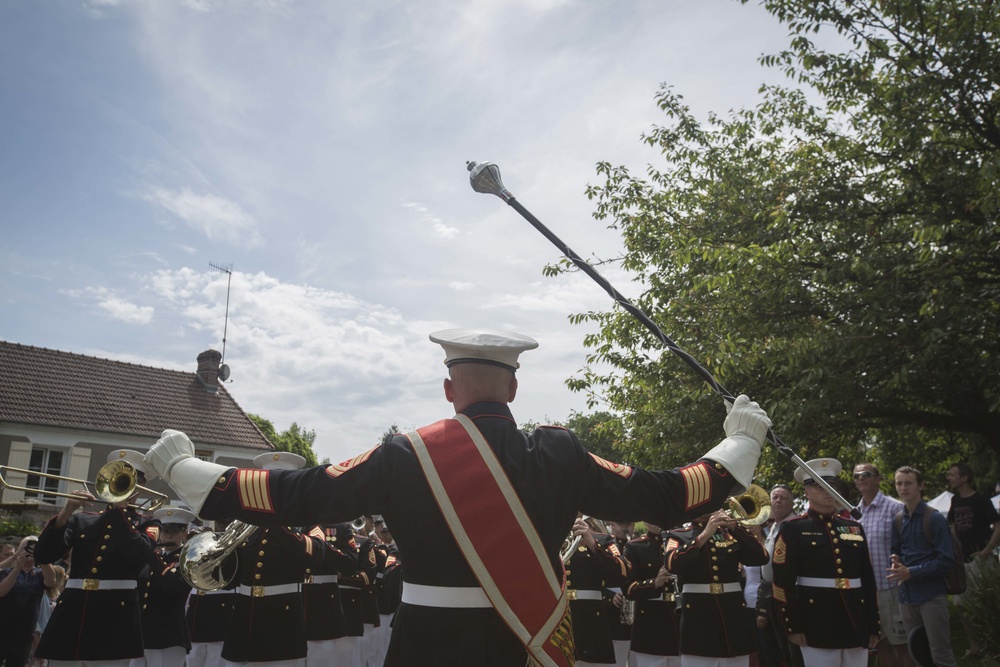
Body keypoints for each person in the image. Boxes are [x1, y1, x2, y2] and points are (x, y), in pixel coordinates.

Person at [145, 327, 771, 667]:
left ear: (449, 391)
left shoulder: (405, 452)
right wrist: (738, 447)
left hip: (426, 641)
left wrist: (193, 474)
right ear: (515, 390)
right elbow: (666, 496)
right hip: (529, 638)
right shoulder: (559, 453)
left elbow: (302, 495)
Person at [33, 449, 162, 667]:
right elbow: (44, 555)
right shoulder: (83, 519)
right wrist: (66, 512)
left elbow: (138, 555)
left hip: (114, 618)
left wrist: (119, 512)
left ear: (140, 486)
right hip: (72, 613)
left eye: (130, 480)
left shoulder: (148, 524)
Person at [219, 452, 327, 667]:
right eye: (269, 484)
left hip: (281, 622)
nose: (272, 491)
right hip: (243, 621)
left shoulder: (307, 519)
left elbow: (316, 555)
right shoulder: (245, 521)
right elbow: (231, 577)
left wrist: (276, 524)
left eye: (279, 485)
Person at [771, 458, 879, 667]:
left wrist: (873, 624)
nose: (828, 491)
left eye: (832, 486)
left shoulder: (853, 527)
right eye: (820, 486)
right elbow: (781, 583)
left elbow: (868, 580)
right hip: (816, 621)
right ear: (807, 493)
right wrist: (793, 625)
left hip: (855, 618)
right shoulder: (793, 529)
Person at [666, 509, 769, 666]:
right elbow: (671, 564)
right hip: (699, 620)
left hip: (733, 618)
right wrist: (704, 535)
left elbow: (761, 557)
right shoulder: (678, 534)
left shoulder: (731, 533)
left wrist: (735, 527)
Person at [889, 466, 957, 667]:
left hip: (931, 595)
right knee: (919, 655)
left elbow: (947, 560)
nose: (903, 488)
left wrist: (912, 572)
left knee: (940, 656)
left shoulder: (934, 517)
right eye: (899, 483)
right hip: (907, 596)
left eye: (908, 483)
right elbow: (896, 551)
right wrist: (897, 562)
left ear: (921, 485)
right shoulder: (898, 519)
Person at [852, 463, 911, 667]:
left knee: (903, 646)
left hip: (891, 589)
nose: (860, 478)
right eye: (856, 475)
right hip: (868, 592)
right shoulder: (855, 514)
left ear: (878, 479)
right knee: (881, 645)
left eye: (866, 474)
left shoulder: (895, 507)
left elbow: (909, 546)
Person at [945, 461, 1000, 659]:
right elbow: (953, 526)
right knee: (961, 603)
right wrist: (955, 549)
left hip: (982, 561)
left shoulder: (981, 500)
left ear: (965, 477)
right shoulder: (956, 501)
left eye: (952, 475)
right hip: (964, 561)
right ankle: (976, 647)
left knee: (986, 604)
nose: (949, 478)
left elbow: (998, 524)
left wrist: (986, 551)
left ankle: (992, 647)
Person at [564, 516, 628, 666]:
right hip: (561, 620)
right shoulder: (552, 536)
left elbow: (622, 571)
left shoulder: (602, 539)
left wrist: (592, 543)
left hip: (591, 623)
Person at [138, 507, 196, 667]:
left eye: (175, 531)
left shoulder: (188, 560)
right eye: (165, 530)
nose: (169, 534)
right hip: (144, 633)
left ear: (184, 534)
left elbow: (173, 586)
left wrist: (152, 555)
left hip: (169, 635)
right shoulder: (153, 559)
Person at [623, 523, 681, 667]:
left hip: (680, 622)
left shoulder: (682, 542)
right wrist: (655, 582)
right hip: (650, 626)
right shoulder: (635, 547)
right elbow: (629, 589)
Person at [302, 522, 359, 667]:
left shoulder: (340, 528)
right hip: (292, 599)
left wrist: (321, 544)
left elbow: (350, 565)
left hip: (323, 604)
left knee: (322, 657)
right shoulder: (294, 523)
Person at [755, 483, 798, 667]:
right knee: (782, 650)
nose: (778, 501)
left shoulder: (795, 525)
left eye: (783, 498)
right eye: (775, 497)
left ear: (792, 503)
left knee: (795, 648)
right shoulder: (774, 526)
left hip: (791, 595)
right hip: (772, 595)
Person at [185, 522, 237, 667]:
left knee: (216, 660)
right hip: (196, 615)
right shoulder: (203, 537)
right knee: (192, 660)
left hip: (221, 614)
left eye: (223, 521)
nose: (221, 525)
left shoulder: (236, 546)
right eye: (218, 521)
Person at [0, 536, 57, 667]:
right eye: (25, 548)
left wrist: (41, 557)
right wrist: (17, 567)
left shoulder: (39, 573)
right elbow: (2, 592)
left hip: (25, 636)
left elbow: (51, 581)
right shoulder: (5, 572)